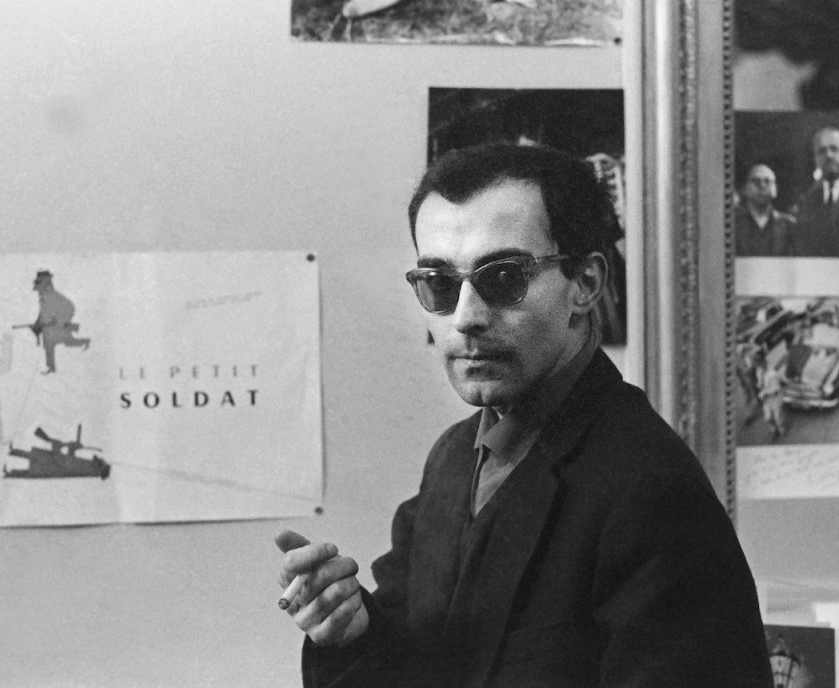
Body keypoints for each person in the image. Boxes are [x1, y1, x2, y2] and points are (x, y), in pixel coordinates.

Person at [274, 143, 772, 687]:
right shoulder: (452, 459)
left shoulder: (651, 491)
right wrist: (351, 633)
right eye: (440, 283)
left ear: (585, 285)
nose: (465, 317)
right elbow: (418, 663)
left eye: (504, 277)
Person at [791, 127, 839, 257]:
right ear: (816, 158)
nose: (828, 155)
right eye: (822, 151)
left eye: (834, 149)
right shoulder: (804, 201)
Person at [30, 270, 90, 375]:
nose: (37, 289)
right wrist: (38, 323)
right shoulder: (43, 297)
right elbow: (43, 313)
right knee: (49, 343)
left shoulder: (51, 296)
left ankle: (83, 340)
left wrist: (58, 321)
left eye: (39, 284)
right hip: (52, 323)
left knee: (65, 341)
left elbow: (67, 308)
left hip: (61, 318)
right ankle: (51, 367)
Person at [735, 163, 796, 257]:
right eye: (756, 181)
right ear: (745, 188)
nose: (762, 185)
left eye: (767, 181)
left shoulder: (789, 225)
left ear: (775, 189)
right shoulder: (733, 223)